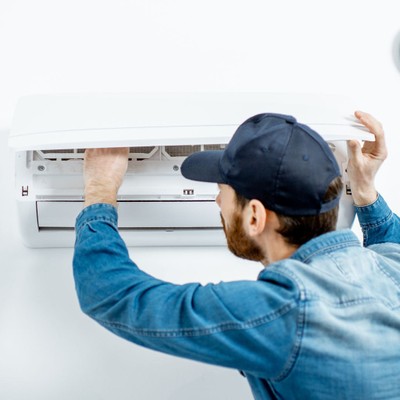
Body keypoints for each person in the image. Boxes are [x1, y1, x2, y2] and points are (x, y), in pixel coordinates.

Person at [73, 111, 400, 399]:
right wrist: (366, 191)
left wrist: (100, 190)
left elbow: (112, 297)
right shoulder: (390, 264)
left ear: (255, 217)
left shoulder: (284, 314)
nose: (218, 203)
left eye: (222, 192)